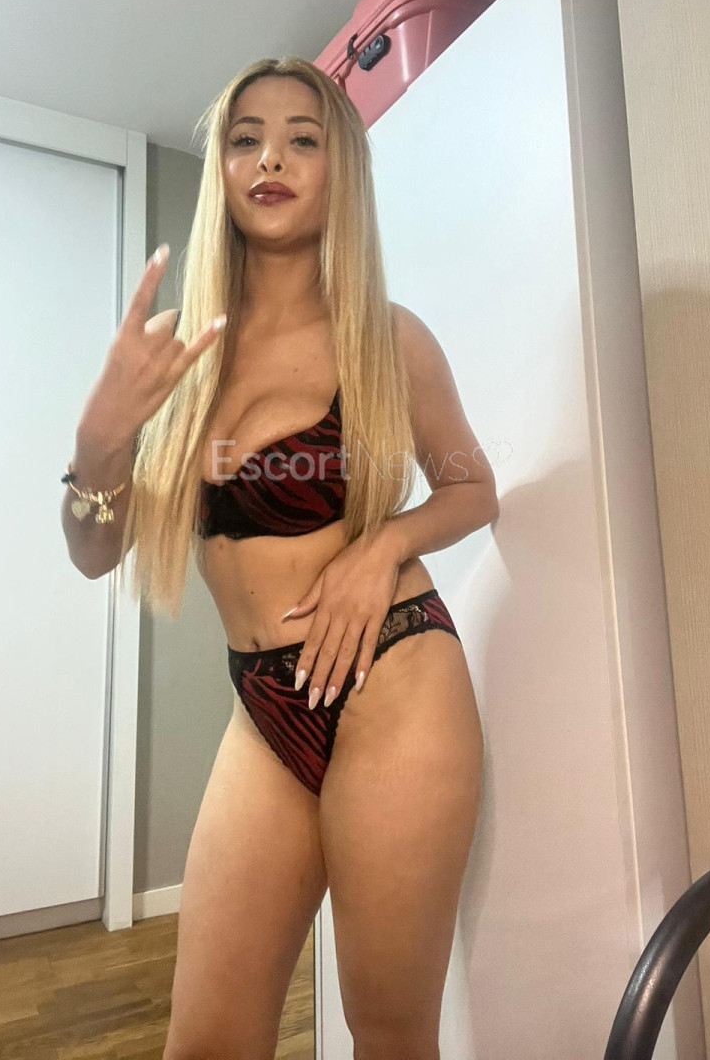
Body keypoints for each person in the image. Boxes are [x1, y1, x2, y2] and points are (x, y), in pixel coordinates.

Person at [61, 56, 497, 1060]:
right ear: (221, 169)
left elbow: (473, 488)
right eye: (246, 137)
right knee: (204, 1042)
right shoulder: (173, 355)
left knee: (388, 1033)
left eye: (304, 139)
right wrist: (97, 447)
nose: (272, 158)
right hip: (263, 706)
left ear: (340, 173)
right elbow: (94, 552)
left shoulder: (386, 339)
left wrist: (384, 544)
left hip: (394, 680)